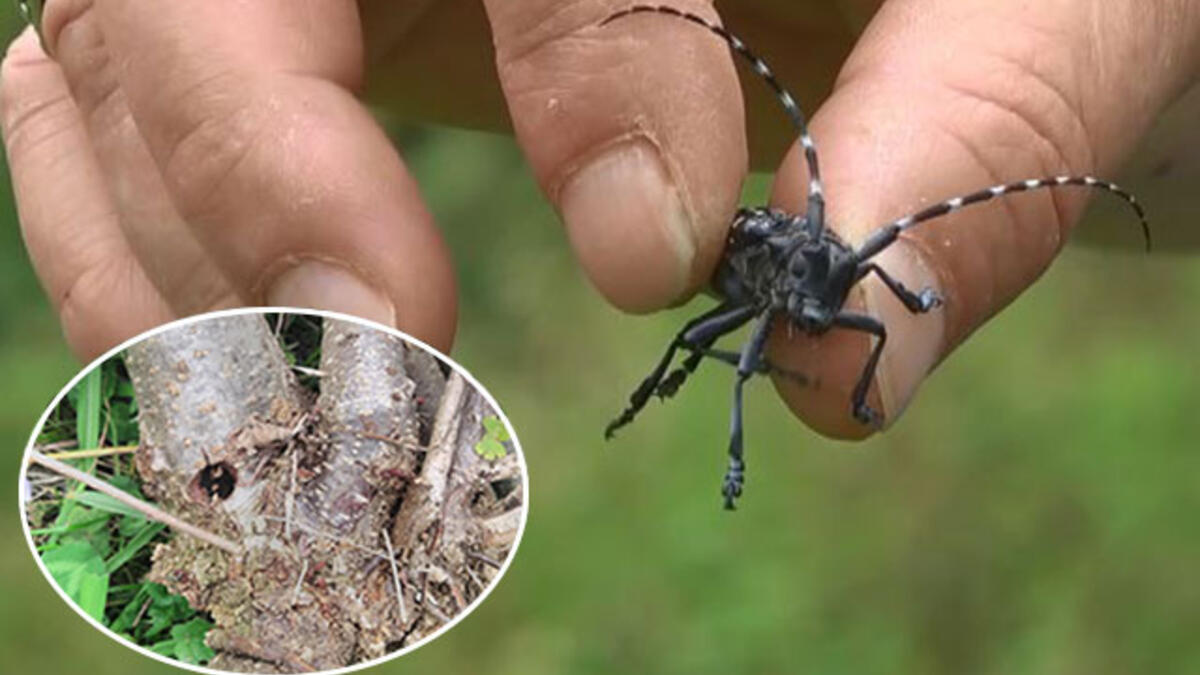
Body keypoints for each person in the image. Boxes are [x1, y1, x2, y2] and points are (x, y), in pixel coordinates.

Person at [2, 0, 1197, 438]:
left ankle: (710, 427)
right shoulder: (769, 283)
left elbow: (861, 304)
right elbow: (735, 330)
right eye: (828, 280)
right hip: (730, 258)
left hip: (758, 253)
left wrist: (907, 288)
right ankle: (669, 408)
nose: (833, 296)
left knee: (822, 333)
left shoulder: (842, 276)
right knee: (715, 352)